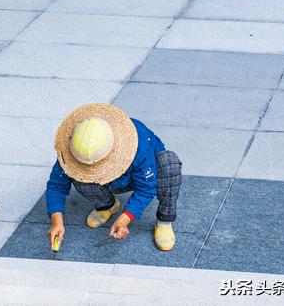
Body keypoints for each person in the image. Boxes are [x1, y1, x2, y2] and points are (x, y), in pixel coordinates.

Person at [46, 103, 182, 251]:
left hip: (142, 174)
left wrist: (124, 219)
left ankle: (164, 220)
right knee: (77, 175)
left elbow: (146, 189)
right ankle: (107, 205)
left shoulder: (140, 143)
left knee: (169, 163)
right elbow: (56, 186)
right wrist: (56, 222)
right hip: (109, 181)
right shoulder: (74, 148)